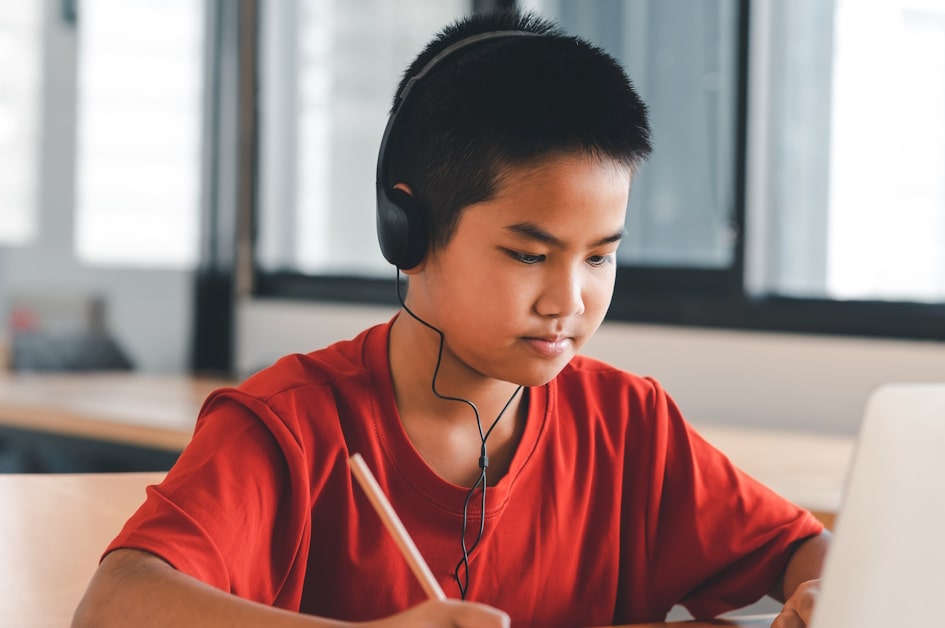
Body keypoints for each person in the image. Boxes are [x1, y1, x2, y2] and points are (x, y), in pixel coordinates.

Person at [73, 10, 830, 628]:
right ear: (408, 230)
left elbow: (810, 551)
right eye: (529, 255)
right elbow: (114, 606)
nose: (568, 300)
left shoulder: (629, 428)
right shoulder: (291, 429)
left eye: (598, 257)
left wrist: (826, 594)